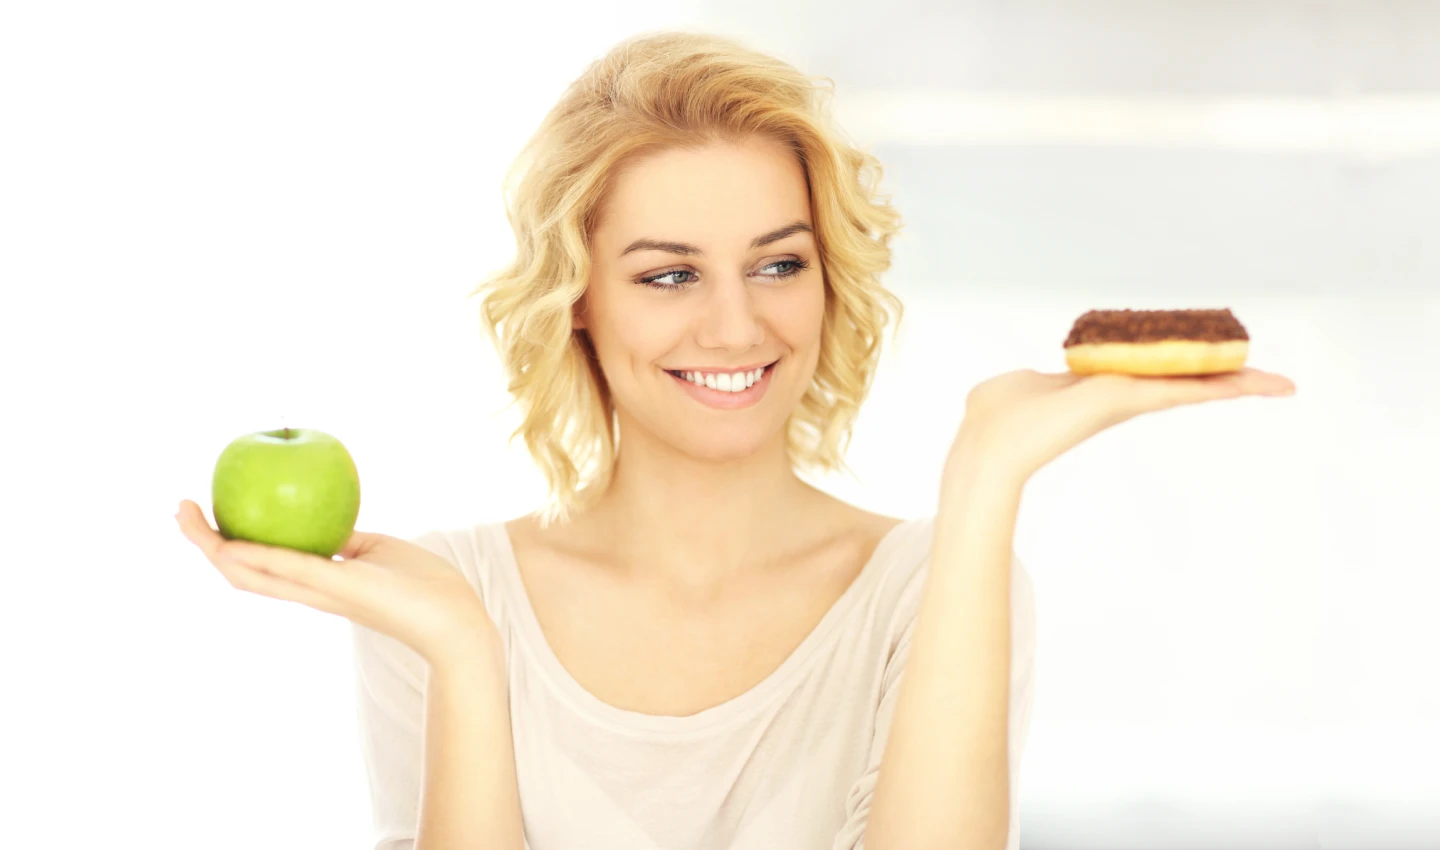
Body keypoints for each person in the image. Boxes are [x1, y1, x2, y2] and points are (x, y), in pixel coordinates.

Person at [174, 30, 1297, 850]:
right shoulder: (444, 596)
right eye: (669, 273)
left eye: (777, 263)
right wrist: (467, 657)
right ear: (578, 298)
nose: (736, 325)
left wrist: (986, 473)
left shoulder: (935, 582)